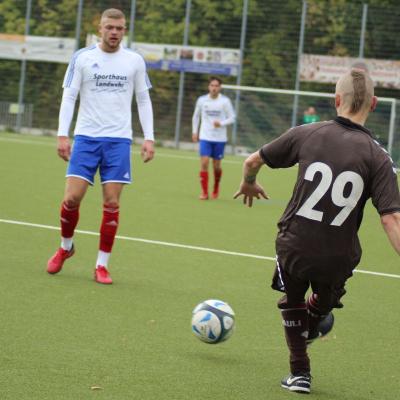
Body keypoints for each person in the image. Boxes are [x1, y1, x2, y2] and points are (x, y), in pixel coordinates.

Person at [234, 69, 400, 394]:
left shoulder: (308, 132)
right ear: (375, 104)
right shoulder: (379, 158)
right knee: (323, 307)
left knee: (293, 301)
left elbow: (253, 162)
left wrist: (248, 183)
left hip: (294, 243)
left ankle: (300, 372)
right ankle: (311, 320)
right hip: (339, 255)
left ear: (336, 100)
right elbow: (391, 220)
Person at [46, 8, 155, 285]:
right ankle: (65, 247)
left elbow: (143, 100)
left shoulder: (134, 61)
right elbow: (69, 97)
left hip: (118, 141)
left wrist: (149, 137)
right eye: (109, 27)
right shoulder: (82, 58)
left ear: (124, 30)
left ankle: (101, 265)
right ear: (100, 29)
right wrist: (62, 134)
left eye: (119, 28)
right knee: (71, 199)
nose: (114, 32)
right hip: (85, 138)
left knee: (112, 202)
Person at [192, 76, 235, 200]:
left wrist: (221, 123)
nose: (214, 88)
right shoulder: (202, 100)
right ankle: (204, 192)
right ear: (208, 87)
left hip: (220, 138)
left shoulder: (225, 102)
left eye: (216, 86)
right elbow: (196, 117)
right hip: (205, 136)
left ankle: (216, 186)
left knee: (216, 166)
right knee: (204, 162)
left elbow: (232, 117)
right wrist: (194, 132)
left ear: (220, 87)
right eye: (212, 85)